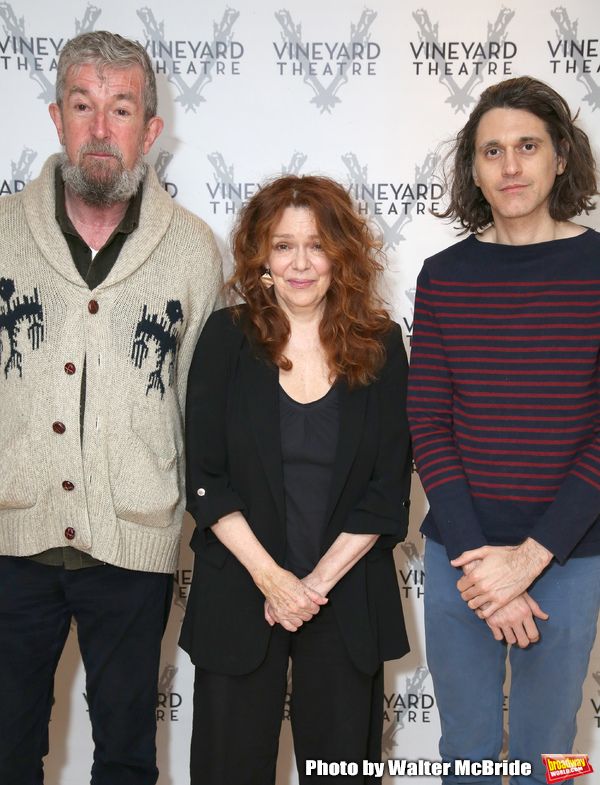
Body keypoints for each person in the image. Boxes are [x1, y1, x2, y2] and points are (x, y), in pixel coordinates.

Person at [0, 31, 222, 785]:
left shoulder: (194, 250)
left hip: (135, 546)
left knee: (127, 756)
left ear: (150, 130)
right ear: (56, 117)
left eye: (121, 108)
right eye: (83, 105)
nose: (101, 129)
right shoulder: (0, 234)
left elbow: (202, 405)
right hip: (10, 541)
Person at [180, 174, 412, 785]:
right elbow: (204, 477)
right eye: (283, 246)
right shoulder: (227, 338)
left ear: (342, 253)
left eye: (317, 244)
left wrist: (310, 587)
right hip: (241, 593)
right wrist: (272, 580)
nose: (301, 263)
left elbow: (387, 492)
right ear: (262, 258)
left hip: (344, 598)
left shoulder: (382, 345)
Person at [407, 76, 600, 784]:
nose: (510, 165)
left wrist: (531, 559)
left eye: (527, 146)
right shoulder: (443, 278)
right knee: (464, 748)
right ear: (474, 169)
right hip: (462, 555)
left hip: (572, 552)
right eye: (492, 151)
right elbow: (427, 420)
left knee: (556, 753)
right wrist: (485, 562)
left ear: (559, 158)